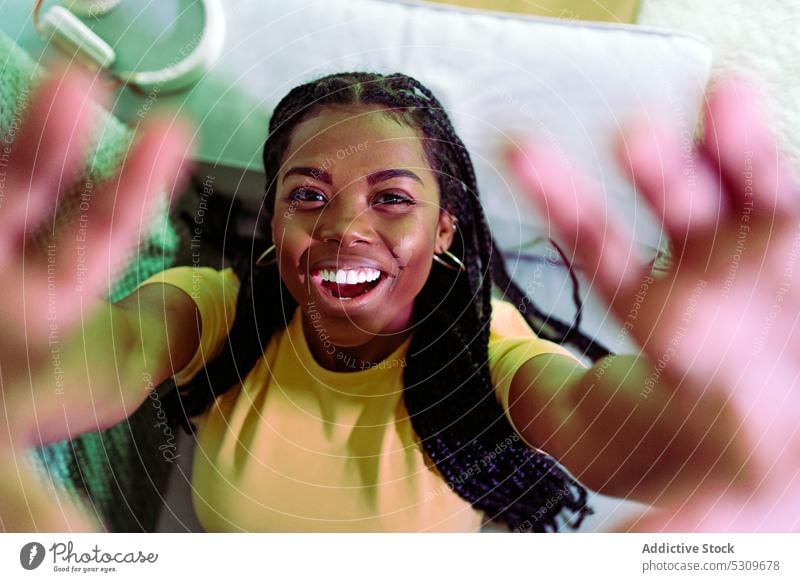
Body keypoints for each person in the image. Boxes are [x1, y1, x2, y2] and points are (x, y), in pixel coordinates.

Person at [0, 66, 797, 533]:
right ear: (273, 218)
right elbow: (100, 359)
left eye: (391, 199)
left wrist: (751, 429)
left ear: (446, 225)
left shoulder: (491, 359)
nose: (345, 227)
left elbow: (599, 416)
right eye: (308, 196)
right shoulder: (208, 312)